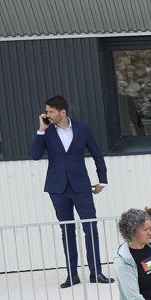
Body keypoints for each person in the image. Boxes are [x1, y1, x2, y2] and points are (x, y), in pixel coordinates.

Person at [29, 96, 109, 288]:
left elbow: (97, 154)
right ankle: (72, 275)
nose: (47, 114)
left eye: (51, 111)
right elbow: (34, 156)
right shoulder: (46, 132)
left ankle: (96, 272)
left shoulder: (82, 129)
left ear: (62, 112)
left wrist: (102, 180)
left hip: (81, 186)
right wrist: (41, 130)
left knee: (90, 228)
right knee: (67, 230)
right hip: (57, 188)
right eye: (47, 111)